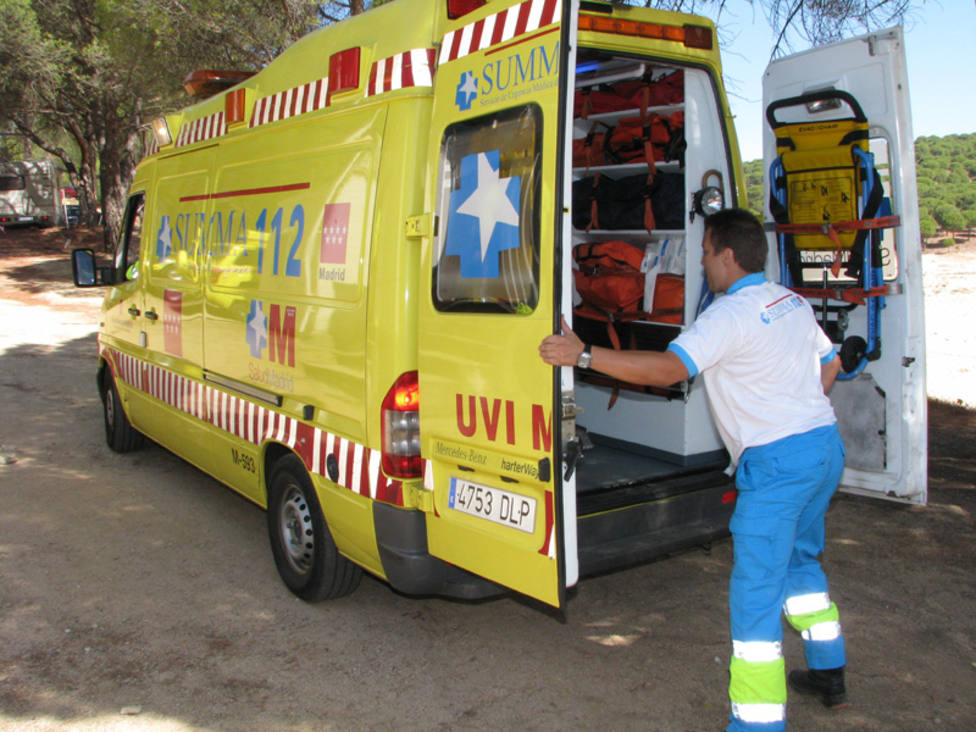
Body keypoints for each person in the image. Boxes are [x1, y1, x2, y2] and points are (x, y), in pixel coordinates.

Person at [539, 208, 847, 732]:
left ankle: (756, 723)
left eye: (705, 252)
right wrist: (798, 411)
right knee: (800, 562)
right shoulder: (789, 301)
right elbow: (831, 361)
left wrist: (584, 354)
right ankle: (829, 673)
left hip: (777, 467)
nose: (702, 261)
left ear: (728, 256)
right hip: (823, 449)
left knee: (755, 597)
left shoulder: (729, 314)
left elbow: (668, 369)